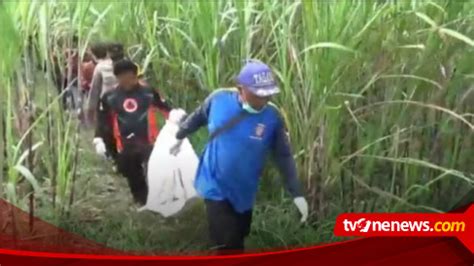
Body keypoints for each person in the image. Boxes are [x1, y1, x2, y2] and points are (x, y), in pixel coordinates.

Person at [169, 59, 309, 254]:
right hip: (214, 184)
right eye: (259, 94)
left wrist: (297, 193)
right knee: (228, 245)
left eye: (269, 93)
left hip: (244, 190)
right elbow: (198, 117)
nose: (265, 99)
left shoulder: (272, 117)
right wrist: (179, 136)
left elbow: (283, 156)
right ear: (240, 89)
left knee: (240, 233)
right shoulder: (218, 99)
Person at [93, 59, 172, 205]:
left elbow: (166, 109)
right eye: (122, 78)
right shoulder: (109, 97)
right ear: (117, 78)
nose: (127, 81)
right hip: (124, 143)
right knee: (132, 174)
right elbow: (103, 121)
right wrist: (99, 138)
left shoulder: (149, 92)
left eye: (130, 77)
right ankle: (142, 200)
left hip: (148, 141)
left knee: (154, 170)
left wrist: (176, 119)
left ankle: (159, 199)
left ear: (136, 76)